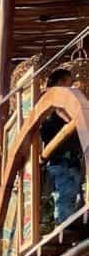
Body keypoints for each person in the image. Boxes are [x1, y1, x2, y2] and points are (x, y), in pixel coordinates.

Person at [41, 68, 84, 226]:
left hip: (72, 161)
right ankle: (65, 224)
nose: (71, 87)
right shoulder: (50, 110)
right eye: (69, 83)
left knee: (74, 193)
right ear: (59, 84)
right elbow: (66, 118)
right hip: (60, 162)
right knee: (65, 194)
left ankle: (71, 222)